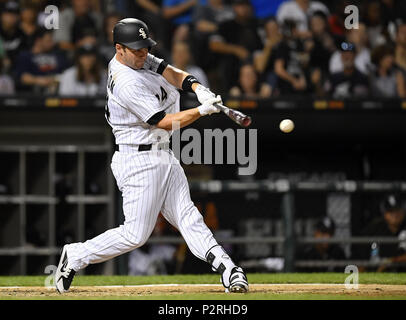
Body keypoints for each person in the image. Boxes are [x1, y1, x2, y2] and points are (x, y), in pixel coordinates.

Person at [55, 18, 249, 294]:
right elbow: (164, 121)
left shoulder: (136, 58)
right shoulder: (125, 81)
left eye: (144, 47)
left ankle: (228, 269)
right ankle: (75, 255)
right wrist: (201, 111)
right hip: (139, 161)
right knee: (135, 234)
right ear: (118, 48)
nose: (143, 53)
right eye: (136, 49)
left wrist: (196, 88)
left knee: (188, 217)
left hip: (162, 155)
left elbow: (169, 71)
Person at [209, 0, 262, 91]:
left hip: (253, 64)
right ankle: (231, 90)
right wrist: (236, 50)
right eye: (240, 6)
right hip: (231, 66)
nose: (243, 9)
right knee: (226, 63)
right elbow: (214, 45)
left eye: (245, 6)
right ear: (234, 7)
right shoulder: (226, 26)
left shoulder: (256, 26)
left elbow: (261, 48)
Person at [355, 194, 406, 272]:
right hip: (376, 273)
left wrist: (392, 261)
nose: (395, 214)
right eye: (390, 211)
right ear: (384, 213)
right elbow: (361, 258)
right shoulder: (374, 229)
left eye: (398, 210)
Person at [14, 28, 68, 94]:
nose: (52, 44)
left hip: (58, 89)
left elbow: (66, 73)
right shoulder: (26, 56)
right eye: (49, 41)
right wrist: (39, 80)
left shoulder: (57, 55)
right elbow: (23, 77)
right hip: (36, 93)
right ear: (38, 41)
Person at [0, 1, 25, 66]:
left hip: (16, 71)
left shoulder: (22, 35)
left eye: (15, 14)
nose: (12, 17)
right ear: (2, 15)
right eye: (9, 13)